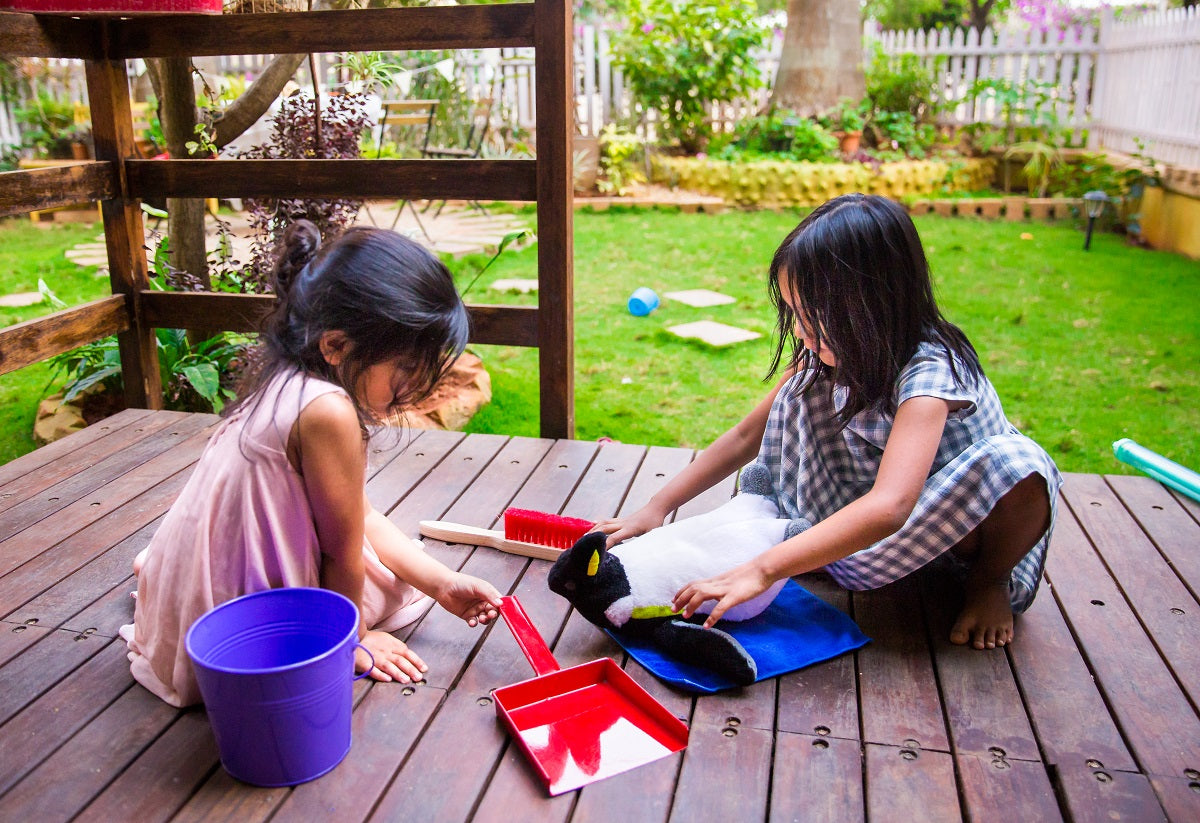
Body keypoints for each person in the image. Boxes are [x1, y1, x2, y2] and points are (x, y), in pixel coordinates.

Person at [597, 194, 1061, 651]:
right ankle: (805, 536)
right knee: (799, 389)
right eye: (795, 314)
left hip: (965, 539)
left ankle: (990, 584)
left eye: (813, 316)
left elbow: (891, 506)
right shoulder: (826, 354)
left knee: (1019, 463)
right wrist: (656, 507)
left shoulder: (930, 373)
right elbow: (744, 435)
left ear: (876, 304)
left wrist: (763, 569)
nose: (799, 331)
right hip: (876, 527)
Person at [122, 220, 503, 707]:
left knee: (388, 569)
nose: (419, 384)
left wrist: (442, 583)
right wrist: (355, 640)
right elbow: (340, 555)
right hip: (245, 630)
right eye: (406, 366)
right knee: (376, 587)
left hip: (194, 597)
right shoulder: (329, 411)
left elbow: (359, 517)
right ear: (337, 345)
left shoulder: (285, 376)